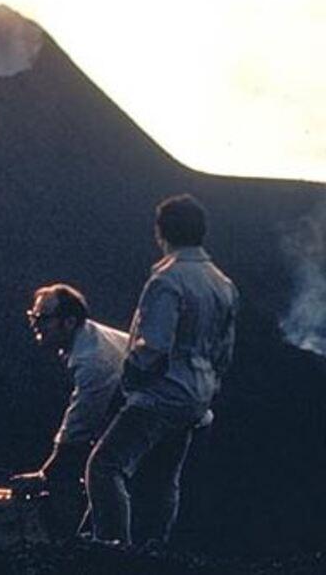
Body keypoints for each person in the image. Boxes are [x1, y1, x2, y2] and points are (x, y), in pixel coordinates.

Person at [85, 194, 238, 546]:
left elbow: (153, 347)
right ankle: (155, 549)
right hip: (196, 398)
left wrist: (132, 377)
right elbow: (224, 351)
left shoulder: (168, 280)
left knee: (105, 466)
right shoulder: (223, 284)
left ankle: (111, 549)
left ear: (161, 232)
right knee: (164, 477)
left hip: (160, 394)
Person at [15, 283, 128, 541]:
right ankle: (98, 540)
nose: (35, 324)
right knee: (106, 471)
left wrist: (46, 474)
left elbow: (80, 421)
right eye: (33, 316)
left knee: (102, 468)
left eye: (42, 318)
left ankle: (112, 549)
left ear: (69, 322)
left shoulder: (93, 359)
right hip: (163, 411)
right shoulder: (86, 343)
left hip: (165, 414)